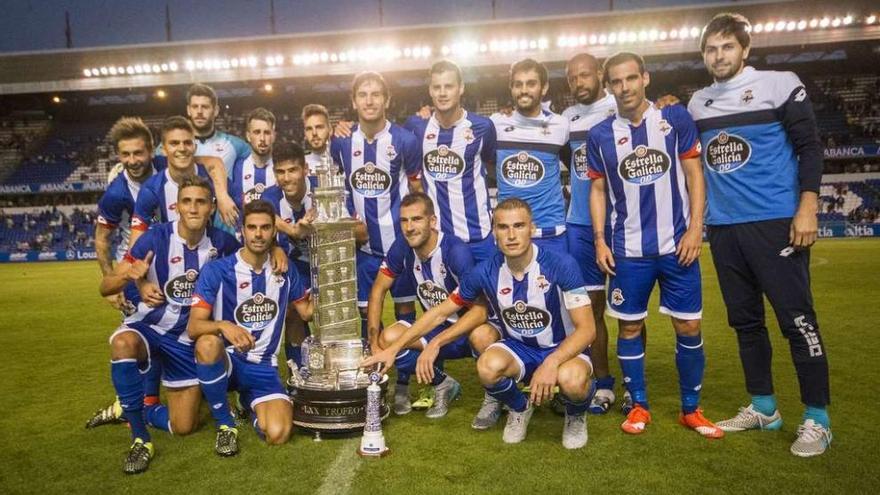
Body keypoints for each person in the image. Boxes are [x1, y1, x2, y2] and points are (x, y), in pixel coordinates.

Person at [688, 13, 831, 456]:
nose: (719, 56)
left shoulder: (779, 83)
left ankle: (818, 418)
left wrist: (807, 206)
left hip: (775, 222)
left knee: (797, 320)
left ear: (745, 49)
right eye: (711, 49)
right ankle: (764, 407)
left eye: (727, 47)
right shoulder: (698, 103)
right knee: (745, 322)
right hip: (724, 228)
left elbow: (809, 147)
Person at [365, 198, 596, 449]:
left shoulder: (561, 264)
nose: (511, 235)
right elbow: (441, 312)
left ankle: (575, 414)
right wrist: (393, 348)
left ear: (532, 228)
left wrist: (552, 362)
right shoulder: (486, 271)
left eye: (518, 226)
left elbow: (587, 329)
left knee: (572, 379)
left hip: (560, 347)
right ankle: (520, 408)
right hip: (518, 347)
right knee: (487, 366)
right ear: (493, 231)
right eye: (503, 227)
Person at [587, 51, 721, 439]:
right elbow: (597, 190)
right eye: (616, 81)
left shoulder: (674, 118)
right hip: (628, 251)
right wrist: (599, 240)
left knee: (689, 324)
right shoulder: (600, 135)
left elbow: (694, 174)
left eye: (631, 78)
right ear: (608, 85)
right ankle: (639, 404)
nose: (624, 87)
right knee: (629, 328)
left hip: (677, 245)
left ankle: (691, 410)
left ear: (645, 78)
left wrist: (696, 228)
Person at [98, 177, 240, 474]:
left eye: (200, 201)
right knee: (122, 343)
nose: (193, 208)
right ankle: (140, 439)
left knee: (184, 426)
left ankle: (138, 407)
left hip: (185, 340)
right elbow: (105, 287)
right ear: (176, 206)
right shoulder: (154, 238)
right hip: (149, 327)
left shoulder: (223, 244)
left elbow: (254, 259)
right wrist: (130, 275)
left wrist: (276, 252)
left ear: (211, 207)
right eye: (186, 201)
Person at [188, 199, 314, 452]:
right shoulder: (217, 270)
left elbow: (307, 313)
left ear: (274, 232)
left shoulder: (285, 271)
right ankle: (225, 425)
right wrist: (224, 326)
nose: (258, 234)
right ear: (243, 231)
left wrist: (332, 286)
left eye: (265, 227)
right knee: (208, 342)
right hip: (228, 360)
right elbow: (194, 327)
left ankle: (247, 403)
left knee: (278, 433)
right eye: (252, 227)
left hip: (263, 367)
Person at [366, 192, 499, 420]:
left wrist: (436, 343)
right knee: (388, 339)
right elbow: (378, 290)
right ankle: (443, 383)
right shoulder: (402, 246)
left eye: (416, 219)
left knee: (483, 335)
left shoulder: (456, 252)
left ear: (433, 221)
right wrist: (374, 344)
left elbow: (480, 311)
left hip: (468, 328)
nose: (409, 227)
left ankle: (494, 396)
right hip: (436, 324)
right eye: (404, 221)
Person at [87, 117, 166, 429]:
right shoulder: (116, 193)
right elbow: (102, 238)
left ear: (150, 150)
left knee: (168, 330)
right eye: (125, 154)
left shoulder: (165, 166)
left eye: (138, 152)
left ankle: (153, 399)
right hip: (133, 270)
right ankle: (135, 406)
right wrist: (114, 281)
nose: (133, 160)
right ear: (118, 156)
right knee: (139, 335)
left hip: (168, 266)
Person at [330, 71, 421, 339]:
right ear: (354, 101)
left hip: (400, 243)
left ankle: (406, 377)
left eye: (376, 95)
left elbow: (417, 190)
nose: (369, 101)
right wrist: (349, 224)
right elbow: (340, 190)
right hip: (364, 247)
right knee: (366, 311)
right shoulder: (341, 142)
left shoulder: (405, 141)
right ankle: (375, 371)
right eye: (363, 95)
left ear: (387, 100)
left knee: (405, 307)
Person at [405, 60, 498, 263]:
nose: (442, 93)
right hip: (439, 238)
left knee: (489, 294)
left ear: (461, 88)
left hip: (478, 236)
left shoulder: (482, 127)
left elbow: (492, 165)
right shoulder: (417, 127)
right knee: (444, 296)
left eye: (449, 86)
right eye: (437, 87)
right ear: (430, 90)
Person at [491, 58, 569, 253]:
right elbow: (488, 164)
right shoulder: (496, 126)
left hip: (551, 232)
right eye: (518, 84)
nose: (524, 90)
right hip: (510, 235)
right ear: (511, 88)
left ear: (544, 88)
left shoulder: (561, 125)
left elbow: (576, 167)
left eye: (531, 84)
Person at [261, 142, 316, 373]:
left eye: (292, 170)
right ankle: (301, 373)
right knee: (294, 313)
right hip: (294, 267)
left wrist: (318, 227)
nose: (286, 178)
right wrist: (280, 241)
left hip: (327, 264)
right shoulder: (270, 197)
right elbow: (255, 216)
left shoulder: (322, 191)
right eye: (281, 172)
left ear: (305, 170)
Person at [130, 116, 218, 248]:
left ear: (194, 146)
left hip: (210, 259)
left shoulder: (215, 180)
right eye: (174, 143)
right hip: (170, 263)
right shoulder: (151, 188)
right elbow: (136, 240)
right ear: (163, 149)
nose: (182, 148)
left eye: (187, 142)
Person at [228, 107, 277, 212]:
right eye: (257, 132)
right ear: (248, 136)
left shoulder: (283, 169)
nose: (262, 138)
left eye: (267, 133)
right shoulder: (235, 168)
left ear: (273, 136)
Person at [302, 103, 332, 187]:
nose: (314, 133)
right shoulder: (300, 165)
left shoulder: (343, 160)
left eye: (319, 127)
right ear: (305, 133)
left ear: (330, 129)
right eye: (309, 129)